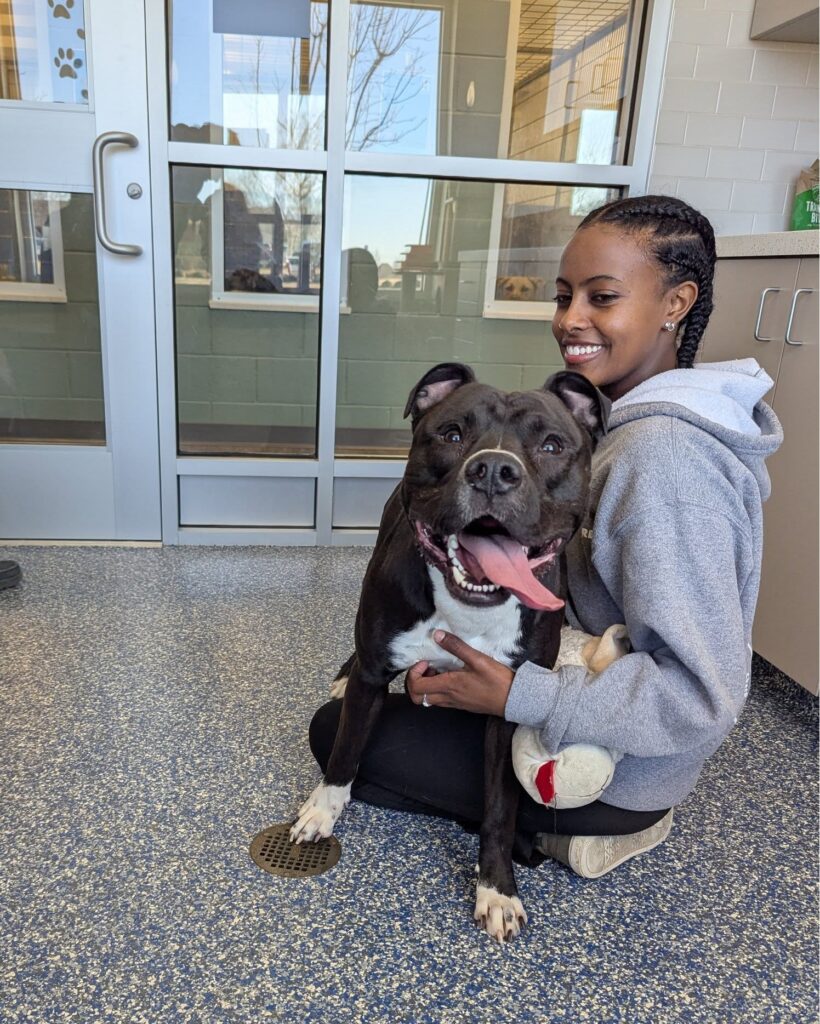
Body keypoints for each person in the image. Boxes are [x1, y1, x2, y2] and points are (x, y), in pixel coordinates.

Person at [308, 195, 783, 878]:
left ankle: (587, 832)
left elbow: (702, 700)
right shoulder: (608, 417)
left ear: (676, 303)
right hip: (565, 681)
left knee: (338, 735)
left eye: (603, 296)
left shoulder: (667, 461)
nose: (571, 320)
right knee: (379, 687)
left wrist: (515, 697)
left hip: (617, 768)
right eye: (564, 297)